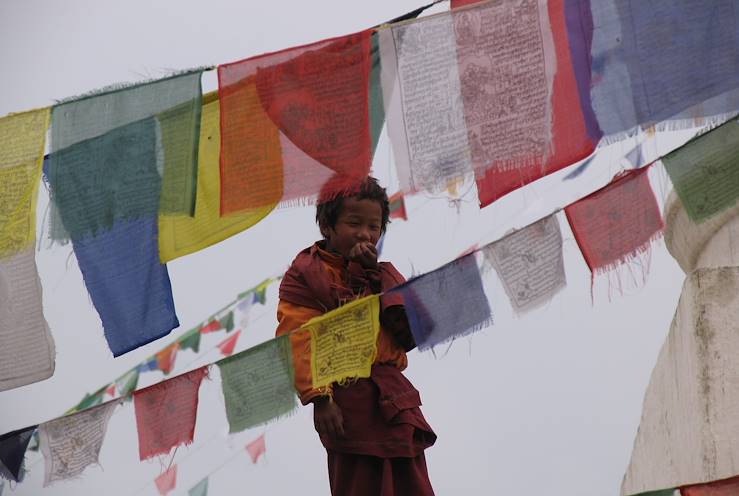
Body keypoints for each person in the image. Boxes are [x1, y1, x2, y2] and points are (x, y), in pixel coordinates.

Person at [276, 175, 436, 495]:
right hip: (347, 401)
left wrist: (376, 276)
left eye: (374, 227)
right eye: (354, 223)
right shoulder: (306, 276)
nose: (365, 234)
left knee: (412, 485)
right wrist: (320, 398)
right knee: (360, 484)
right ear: (327, 226)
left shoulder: (382, 274)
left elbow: (414, 330)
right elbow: (297, 338)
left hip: (394, 398)